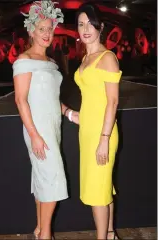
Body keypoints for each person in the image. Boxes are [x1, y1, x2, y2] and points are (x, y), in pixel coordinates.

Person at [12, 1, 78, 239]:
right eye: (42, 29)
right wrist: (34, 135)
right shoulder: (23, 61)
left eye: (50, 29)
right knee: (52, 179)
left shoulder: (51, 63)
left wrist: (70, 113)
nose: (47, 34)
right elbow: (21, 100)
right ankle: (45, 234)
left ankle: (40, 228)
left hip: (52, 129)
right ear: (31, 30)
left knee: (43, 178)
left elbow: (52, 100)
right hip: (37, 130)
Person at [66, 3, 122, 239]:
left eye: (90, 23)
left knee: (98, 192)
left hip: (103, 133)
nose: (85, 28)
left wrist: (104, 139)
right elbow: (91, 101)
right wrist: (68, 113)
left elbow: (112, 102)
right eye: (81, 24)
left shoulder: (107, 57)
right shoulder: (85, 59)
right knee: (103, 187)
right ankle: (109, 234)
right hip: (88, 133)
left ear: (100, 26)